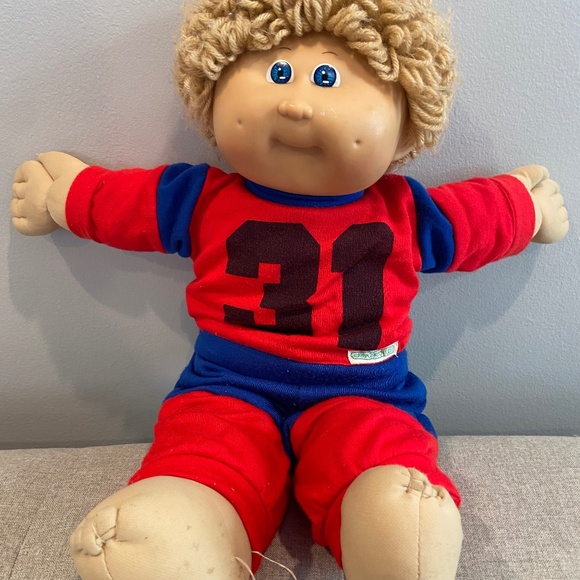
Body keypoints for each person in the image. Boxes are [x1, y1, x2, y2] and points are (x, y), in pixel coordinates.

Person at [11, 0, 569, 578]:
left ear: (408, 117)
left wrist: (524, 208)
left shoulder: (404, 212)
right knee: (203, 453)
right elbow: (130, 206)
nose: (296, 104)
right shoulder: (203, 199)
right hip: (229, 389)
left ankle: (389, 530)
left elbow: (472, 221)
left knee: (383, 463)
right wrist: (66, 196)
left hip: (364, 394)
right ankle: (183, 532)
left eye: (327, 77)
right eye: (279, 72)